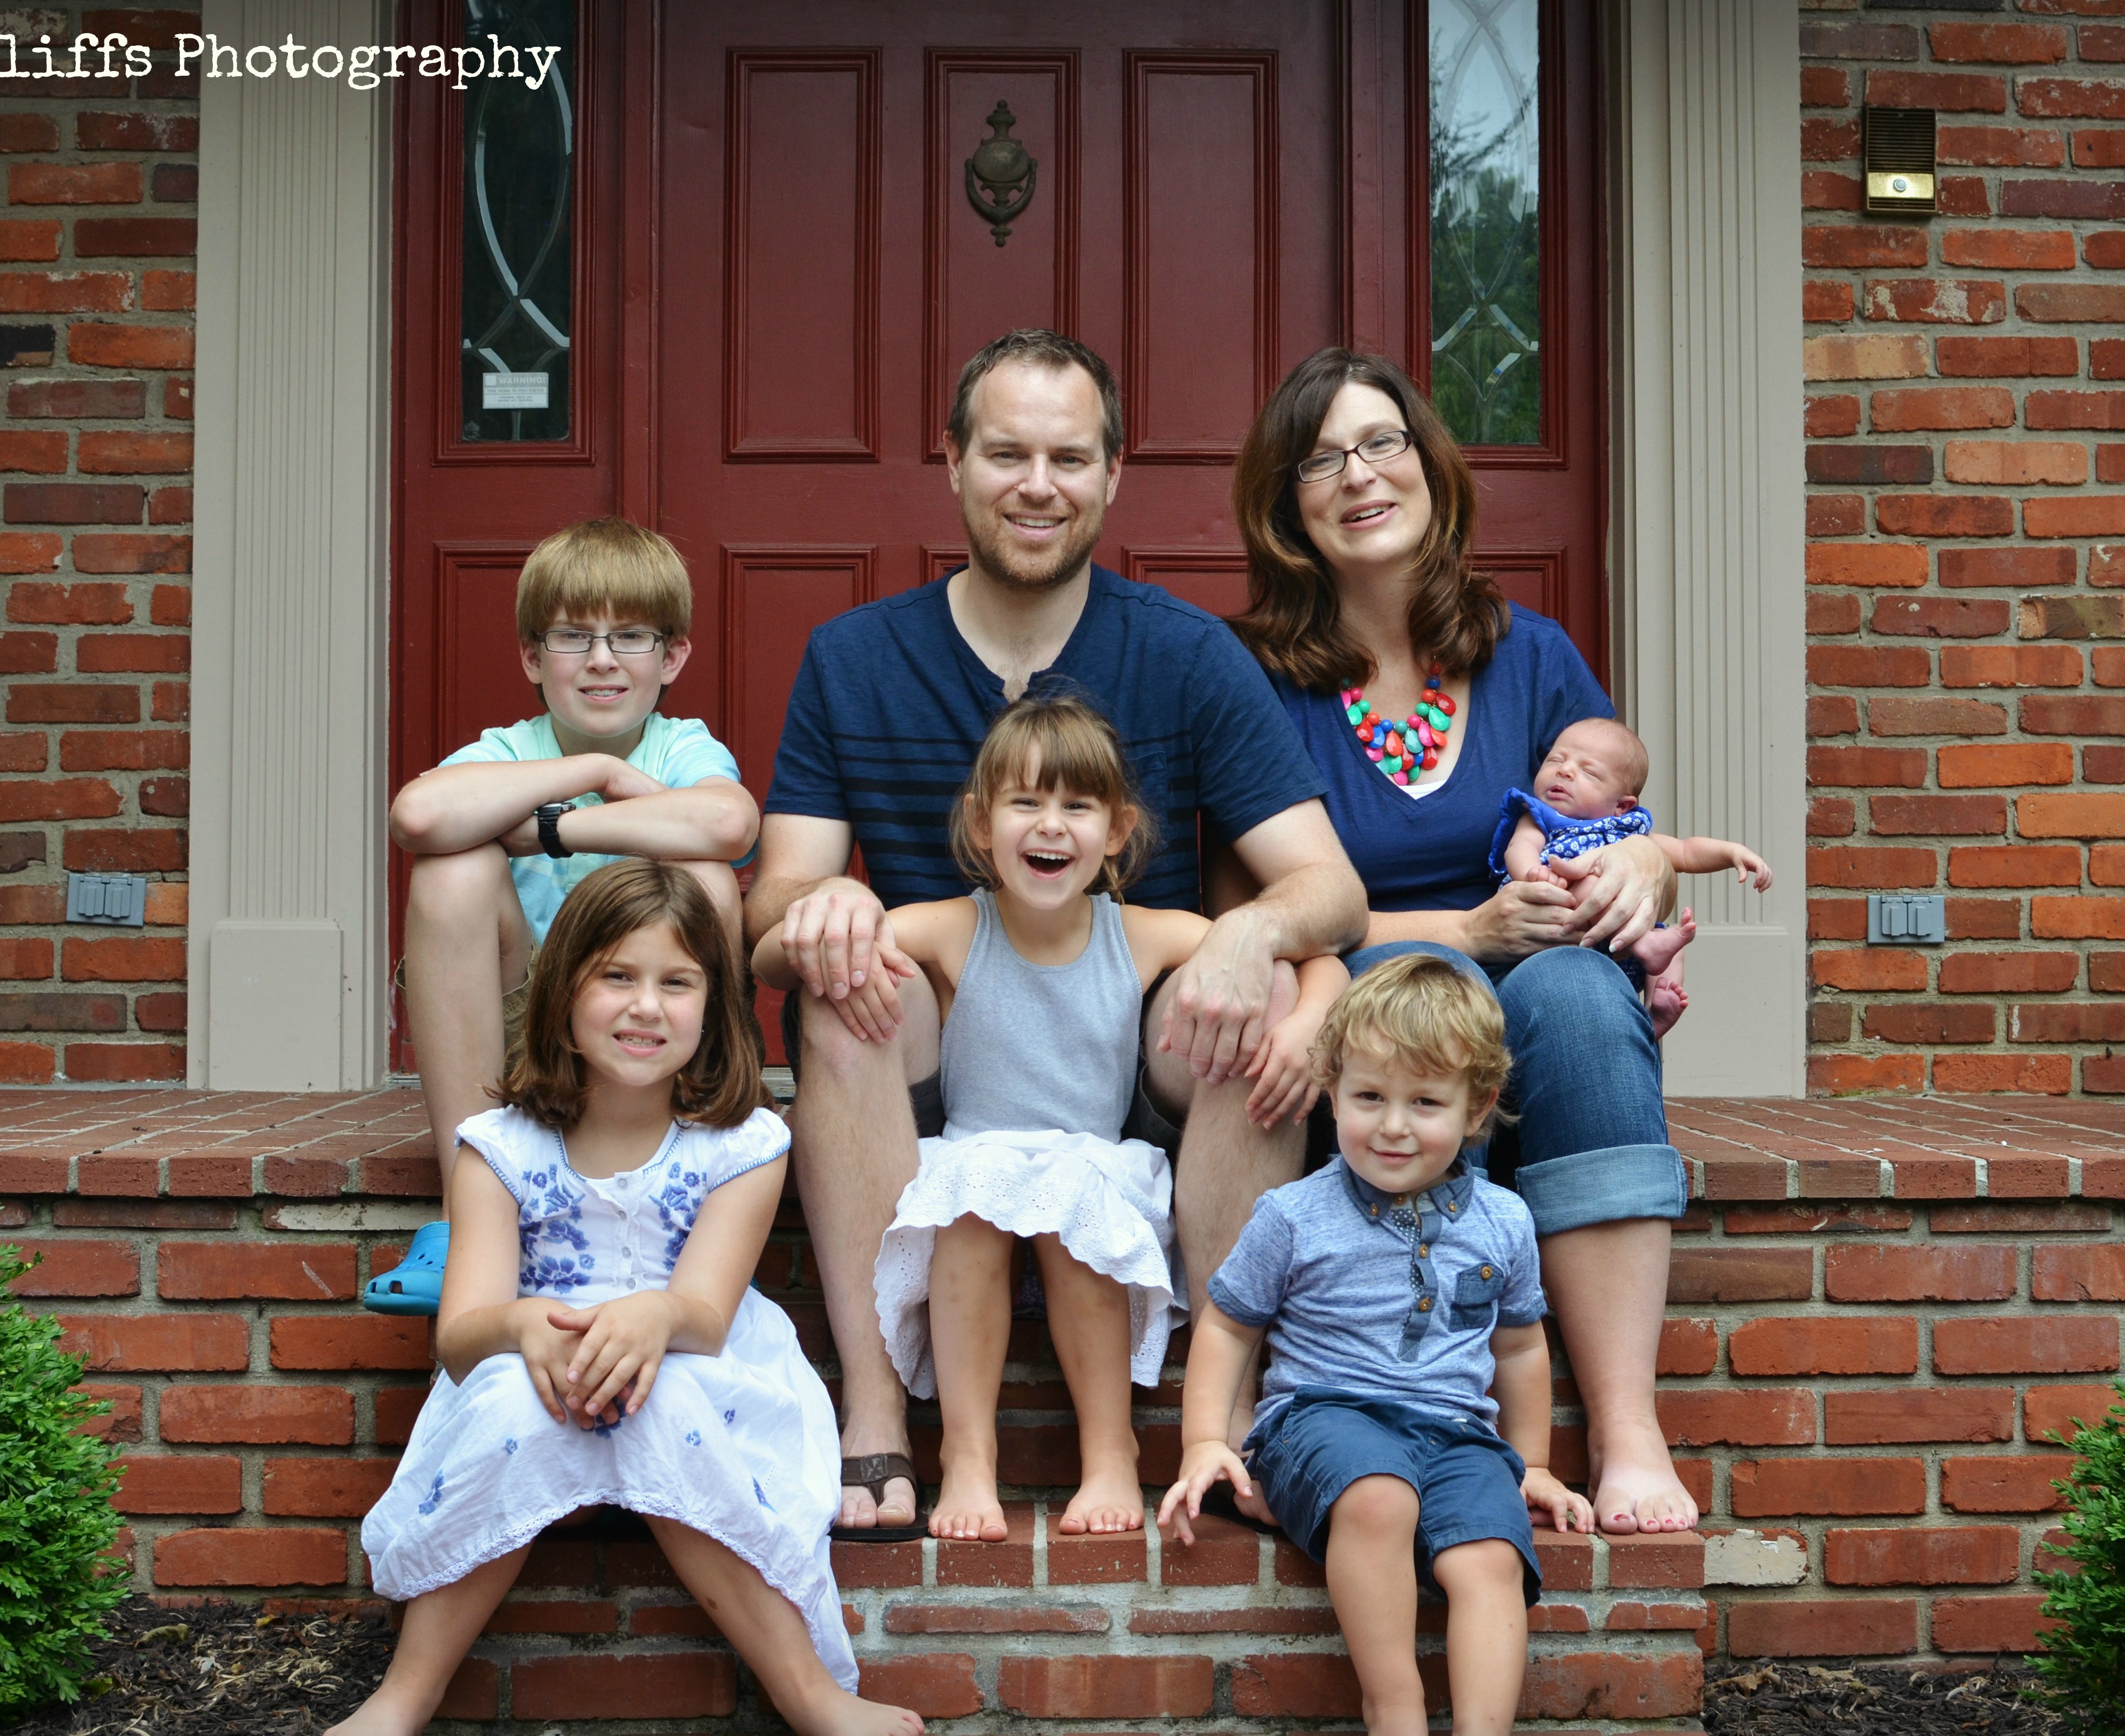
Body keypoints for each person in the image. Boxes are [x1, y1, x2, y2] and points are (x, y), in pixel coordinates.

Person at [744, 329, 1367, 1535]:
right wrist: (822, 909)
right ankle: (874, 1410)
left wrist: (1248, 937)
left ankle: (1222, 1420)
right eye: (1007, 454)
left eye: (1069, 458)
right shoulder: (853, 658)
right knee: (839, 981)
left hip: (1131, 1047)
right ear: (953, 461)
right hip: (944, 1055)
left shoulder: (1185, 652)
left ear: (1112, 473)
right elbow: (771, 910)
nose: (1038, 485)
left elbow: (1327, 888)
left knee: (1260, 992)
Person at [1225, 346, 1699, 1536]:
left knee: (1579, 997)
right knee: (1417, 996)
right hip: (1364, 978)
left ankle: (1627, 1429)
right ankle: (1422, 1404)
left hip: (1539, 980)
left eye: (1381, 442)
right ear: (1286, 506)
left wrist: (1641, 866)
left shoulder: (1528, 654)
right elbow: (1250, 910)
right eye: (1320, 460)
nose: (1358, 475)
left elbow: (1616, 821)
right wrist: (1465, 928)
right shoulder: (1256, 681)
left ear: (1429, 466)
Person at [341, 861, 919, 1736]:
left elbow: (704, 1316)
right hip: (539, 1370)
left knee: (662, 1396)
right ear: (562, 991)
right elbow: (460, 1335)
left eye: (675, 983)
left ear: (712, 1005)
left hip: (699, 1369)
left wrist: (654, 1316)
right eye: (617, 976)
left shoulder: (742, 1144)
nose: (646, 1006)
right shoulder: (497, 1147)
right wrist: (521, 1324)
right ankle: (404, 1696)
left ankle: (805, 1691)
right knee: (512, 1396)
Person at [757, 696, 1344, 1542]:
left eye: (1077, 805)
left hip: (1089, 1163)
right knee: (967, 1218)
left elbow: (1312, 959)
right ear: (980, 822)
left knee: (1079, 1217)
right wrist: (825, 914)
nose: (1051, 824)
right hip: (975, 1162)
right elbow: (774, 958)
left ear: (1118, 830)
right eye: (1026, 801)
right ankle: (967, 1454)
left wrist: (1309, 1018)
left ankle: (1109, 1453)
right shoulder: (953, 927)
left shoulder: (1140, 934)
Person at [1159, 955, 1591, 1736]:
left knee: (1489, 1557)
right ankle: (1395, 1712)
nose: (1393, 1125)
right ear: (1331, 1094)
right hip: (1324, 1419)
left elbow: (1520, 1349)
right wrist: (1202, 1442)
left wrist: (1529, 1462)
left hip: (1458, 1434)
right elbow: (1226, 1326)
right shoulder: (1293, 1214)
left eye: (1424, 1101)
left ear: (1475, 1108)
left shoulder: (1504, 1221)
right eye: (1369, 1097)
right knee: (1378, 1496)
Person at [389, 517, 758, 1173]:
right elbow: (417, 816)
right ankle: (469, 1190)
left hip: (653, 1012)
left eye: (632, 636)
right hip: (526, 1027)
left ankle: (693, 1156)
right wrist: (598, 772)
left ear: (672, 657)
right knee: (452, 870)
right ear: (533, 657)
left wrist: (552, 830)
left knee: (707, 876)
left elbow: (729, 824)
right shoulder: (509, 751)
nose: (602, 659)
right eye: (573, 636)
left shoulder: (680, 747)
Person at [1489, 716, 1775, 1038]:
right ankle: (1646, 945)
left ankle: (1656, 1011)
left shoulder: (1629, 831)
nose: (1565, 770)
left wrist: (1731, 852)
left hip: (1619, 946)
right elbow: (1519, 847)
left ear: (1622, 806)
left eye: (1589, 772)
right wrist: (1533, 873)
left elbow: (1685, 851)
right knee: (1594, 887)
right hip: (1554, 919)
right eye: (1556, 760)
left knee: (1671, 948)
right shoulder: (1540, 817)